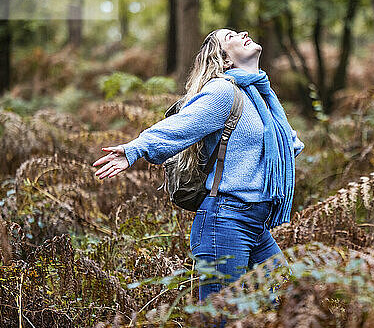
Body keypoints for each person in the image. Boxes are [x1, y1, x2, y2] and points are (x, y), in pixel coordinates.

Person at [92, 28, 304, 300]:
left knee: (289, 300)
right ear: (224, 60)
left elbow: (288, 147)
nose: (244, 33)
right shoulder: (223, 92)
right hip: (225, 222)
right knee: (220, 323)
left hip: (255, 223)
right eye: (231, 37)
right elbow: (181, 126)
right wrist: (134, 149)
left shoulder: (260, 96)